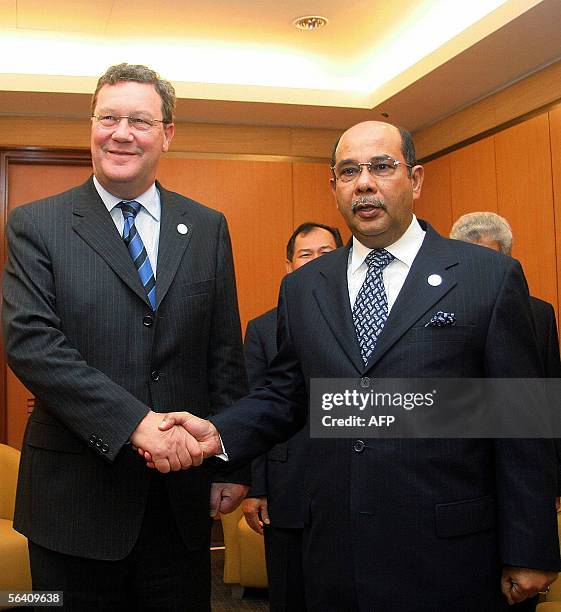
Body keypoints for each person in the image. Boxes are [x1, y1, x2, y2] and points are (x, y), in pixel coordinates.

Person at [148, 121, 561, 611]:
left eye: (382, 167)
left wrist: (531, 547)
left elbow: (521, 422)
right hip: (337, 550)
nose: (364, 182)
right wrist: (217, 434)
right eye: (349, 171)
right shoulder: (304, 287)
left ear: (416, 179)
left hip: (450, 553)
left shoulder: (487, 277)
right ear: (335, 187)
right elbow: (286, 393)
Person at [1, 63, 248, 610]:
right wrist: (136, 423)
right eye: (108, 117)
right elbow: (32, 344)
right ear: (90, 126)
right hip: (73, 504)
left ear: (167, 134)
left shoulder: (206, 226)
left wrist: (231, 461)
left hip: (180, 502)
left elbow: (223, 351)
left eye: (139, 120)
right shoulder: (36, 223)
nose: (121, 132)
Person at [242, 222, 343, 611]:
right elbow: (258, 405)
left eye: (326, 252)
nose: (317, 261)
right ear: (288, 266)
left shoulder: (369, 317)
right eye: (306, 254)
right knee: (289, 593)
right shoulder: (264, 328)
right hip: (288, 487)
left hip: (352, 483)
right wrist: (255, 486)